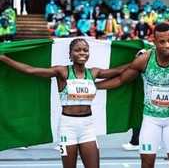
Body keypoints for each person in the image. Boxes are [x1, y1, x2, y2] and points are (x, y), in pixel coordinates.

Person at [0, 38, 129, 168]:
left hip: (88, 126)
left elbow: (119, 72)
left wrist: (140, 60)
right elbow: (31, 70)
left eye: (85, 50)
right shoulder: (62, 71)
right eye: (77, 50)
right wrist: (4, 58)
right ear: (70, 54)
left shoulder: (94, 72)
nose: (82, 53)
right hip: (67, 127)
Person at [95, 23, 169, 168]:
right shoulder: (145, 60)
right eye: (162, 42)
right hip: (151, 120)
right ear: (154, 42)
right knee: (147, 163)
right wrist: (94, 86)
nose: (168, 45)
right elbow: (121, 80)